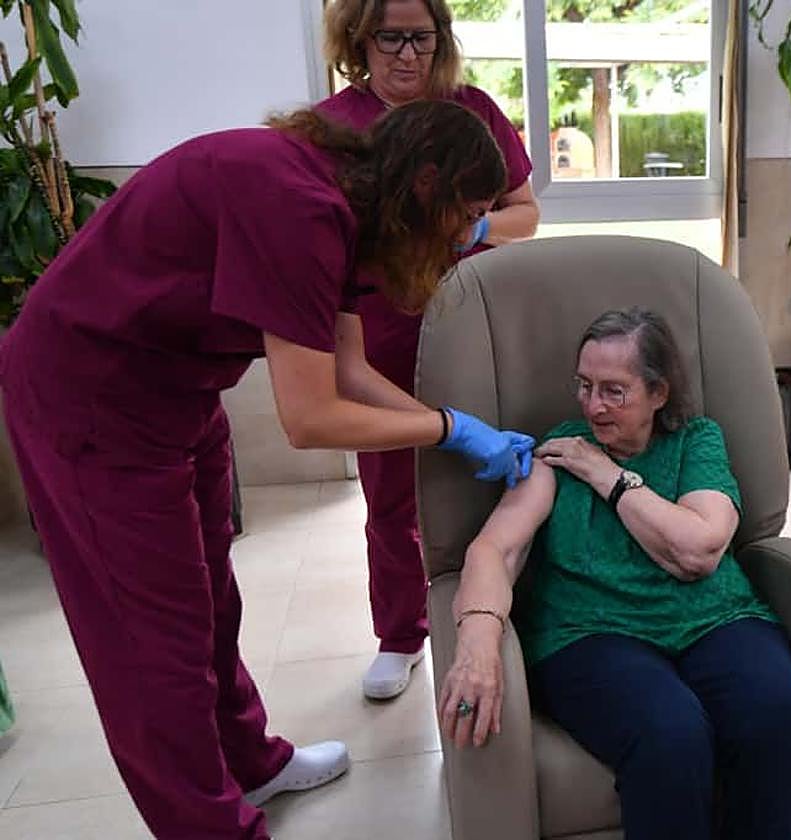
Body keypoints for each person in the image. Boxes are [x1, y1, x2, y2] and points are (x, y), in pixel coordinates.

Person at [0, 101, 534, 839]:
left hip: (177, 388)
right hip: (89, 398)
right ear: (428, 184)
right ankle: (211, 827)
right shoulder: (300, 208)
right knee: (153, 645)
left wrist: (446, 422)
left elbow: (346, 369)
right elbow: (310, 417)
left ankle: (252, 762)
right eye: (469, 213)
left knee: (212, 602)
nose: (469, 235)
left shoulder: (354, 207)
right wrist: (448, 429)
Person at [436, 308, 791, 839]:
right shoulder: (558, 453)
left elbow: (700, 549)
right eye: (585, 386)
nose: (593, 405)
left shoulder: (696, 441)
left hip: (715, 620)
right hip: (592, 634)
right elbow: (494, 549)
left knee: (780, 711)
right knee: (671, 734)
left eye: (614, 391)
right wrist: (478, 639)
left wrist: (608, 475)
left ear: (658, 393)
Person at [320, 0, 541, 702]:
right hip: (375, 328)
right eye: (391, 37)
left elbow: (525, 212)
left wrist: (469, 232)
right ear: (359, 39)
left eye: (423, 37)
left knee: (493, 474)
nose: (408, 54)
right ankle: (399, 634)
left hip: (471, 321)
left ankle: (505, 609)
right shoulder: (335, 126)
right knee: (391, 493)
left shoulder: (471, 110)